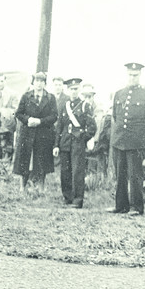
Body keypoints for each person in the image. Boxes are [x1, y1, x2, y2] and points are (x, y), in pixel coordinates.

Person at [109, 62, 145, 216]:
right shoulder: (119, 94)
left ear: (140, 76)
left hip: (136, 141)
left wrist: (140, 134)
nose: (132, 78)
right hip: (119, 140)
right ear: (127, 75)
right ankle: (121, 206)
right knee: (120, 175)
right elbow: (116, 116)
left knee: (135, 175)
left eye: (135, 75)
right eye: (130, 75)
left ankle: (136, 207)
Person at [54, 78, 97, 208]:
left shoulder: (85, 106)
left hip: (78, 143)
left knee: (78, 171)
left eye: (76, 89)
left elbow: (92, 127)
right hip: (65, 142)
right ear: (68, 90)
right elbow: (59, 127)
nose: (74, 92)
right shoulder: (64, 105)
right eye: (71, 89)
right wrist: (56, 144)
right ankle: (67, 197)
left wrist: (82, 138)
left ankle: (78, 200)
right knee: (65, 171)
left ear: (79, 90)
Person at [13, 72, 58, 192]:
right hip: (27, 133)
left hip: (43, 133)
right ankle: (22, 186)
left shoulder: (50, 98)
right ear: (33, 82)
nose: (39, 84)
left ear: (45, 83)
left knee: (42, 160)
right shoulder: (26, 96)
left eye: (42, 81)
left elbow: (54, 116)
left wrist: (40, 121)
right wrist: (28, 119)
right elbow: (18, 113)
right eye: (37, 81)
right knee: (24, 159)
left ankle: (41, 187)